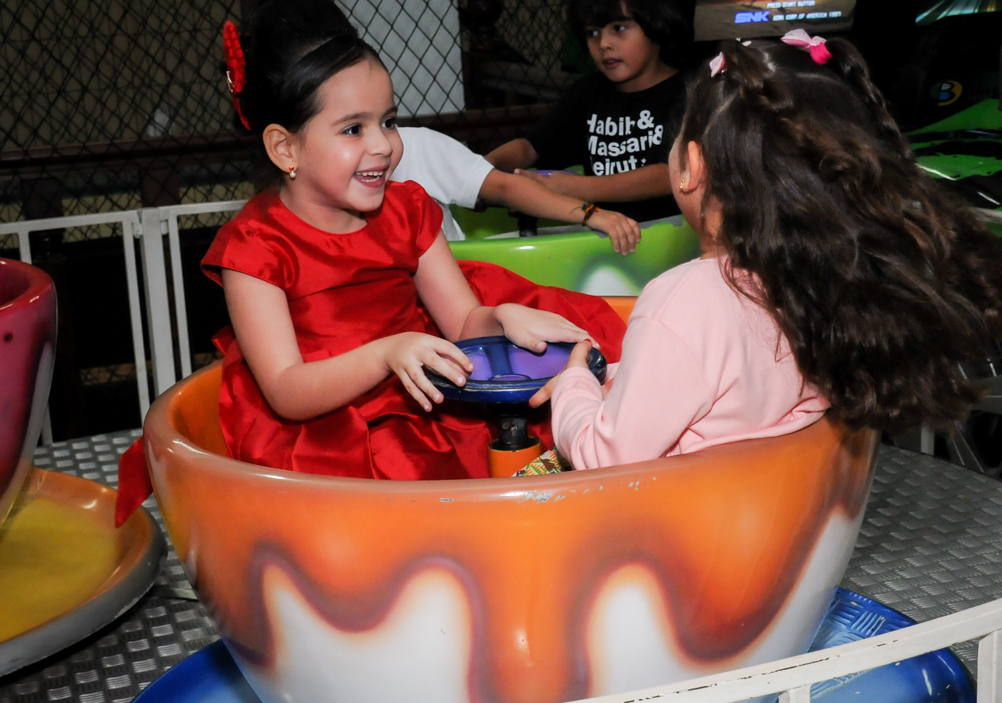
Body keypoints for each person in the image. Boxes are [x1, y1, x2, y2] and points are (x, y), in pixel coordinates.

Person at [531, 33, 1002, 470]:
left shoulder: (681, 302)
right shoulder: (822, 283)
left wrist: (575, 387)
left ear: (690, 166)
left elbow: (606, 455)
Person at [198, 0, 626, 482]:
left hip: (420, 392)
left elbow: (463, 319)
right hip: (332, 429)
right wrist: (385, 353)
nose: (382, 144)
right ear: (285, 147)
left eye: (389, 121)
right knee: (405, 464)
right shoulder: (256, 246)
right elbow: (286, 390)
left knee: (554, 398)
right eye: (353, 129)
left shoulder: (405, 210)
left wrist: (499, 318)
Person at [485, 0, 692, 223]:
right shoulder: (586, 94)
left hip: (671, 238)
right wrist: (479, 172)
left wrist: (578, 188)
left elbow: (669, 175)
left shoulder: (690, 93)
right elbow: (529, 147)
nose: (603, 44)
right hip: (603, 235)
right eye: (592, 32)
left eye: (619, 28)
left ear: (659, 25)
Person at [392, 126, 642, 254]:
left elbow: (506, 186)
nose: (379, 142)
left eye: (388, 122)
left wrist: (592, 214)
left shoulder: (416, 145)